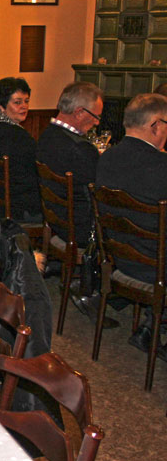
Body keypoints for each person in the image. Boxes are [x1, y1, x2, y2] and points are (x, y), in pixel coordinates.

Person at [96, 93, 167, 355]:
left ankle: (151, 324)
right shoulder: (162, 167)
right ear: (156, 125)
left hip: (119, 259)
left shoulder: (106, 157)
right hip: (155, 269)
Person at [36, 82, 103, 248]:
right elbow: (100, 194)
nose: (96, 123)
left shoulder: (46, 135)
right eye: (96, 116)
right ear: (79, 112)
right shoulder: (81, 149)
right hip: (82, 231)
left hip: (57, 221)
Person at [0, 77, 40, 221]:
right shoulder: (18, 136)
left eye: (26, 101)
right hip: (17, 209)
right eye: (17, 102)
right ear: (2, 106)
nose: (24, 106)